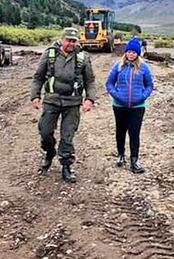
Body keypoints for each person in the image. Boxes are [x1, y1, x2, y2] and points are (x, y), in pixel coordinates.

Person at [30, 27, 96, 182]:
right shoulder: (49, 54)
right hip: (52, 100)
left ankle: (66, 166)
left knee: (67, 136)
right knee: (45, 132)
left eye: (74, 41)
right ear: (62, 40)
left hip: (72, 102)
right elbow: (38, 77)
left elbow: (90, 81)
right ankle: (49, 152)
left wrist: (89, 99)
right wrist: (35, 96)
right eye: (68, 40)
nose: (71, 44)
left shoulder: (83, 57)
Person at [105, 37, 154, 174]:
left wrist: (142, 96)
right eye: (129, 51)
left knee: (134, 133)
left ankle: (134, 160)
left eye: (134, 52)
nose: (131, 54)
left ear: (138, 53)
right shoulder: (118, 66)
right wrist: (117, 95)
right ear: (126, 52)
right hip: (119, 106)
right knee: (120, 131)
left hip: (137, 107)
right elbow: (109, 83)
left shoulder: (144, 67)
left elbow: (150, 85)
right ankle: (121, 155)